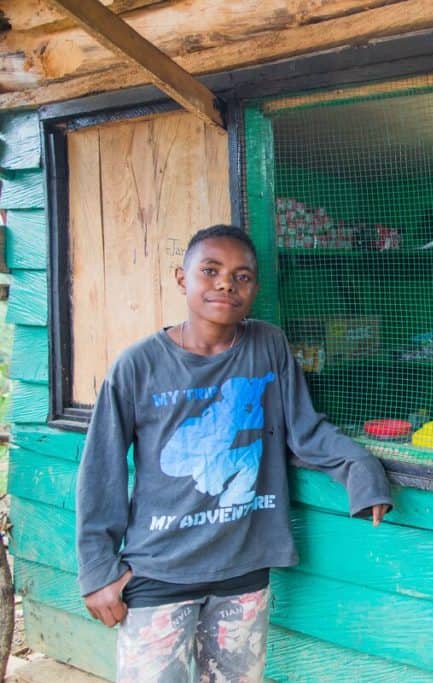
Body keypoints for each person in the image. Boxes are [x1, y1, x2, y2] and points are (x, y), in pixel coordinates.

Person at [76, 224, 392, 682]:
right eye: (210, 270)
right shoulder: (138, 366)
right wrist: (98, 570)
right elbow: (100, 469)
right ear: (182, 279)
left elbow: (303, 430)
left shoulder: (268, 345)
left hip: (243, 571)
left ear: (255, 289)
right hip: (159, 572)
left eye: (242, 276)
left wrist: (360, 467)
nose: (226, 283)